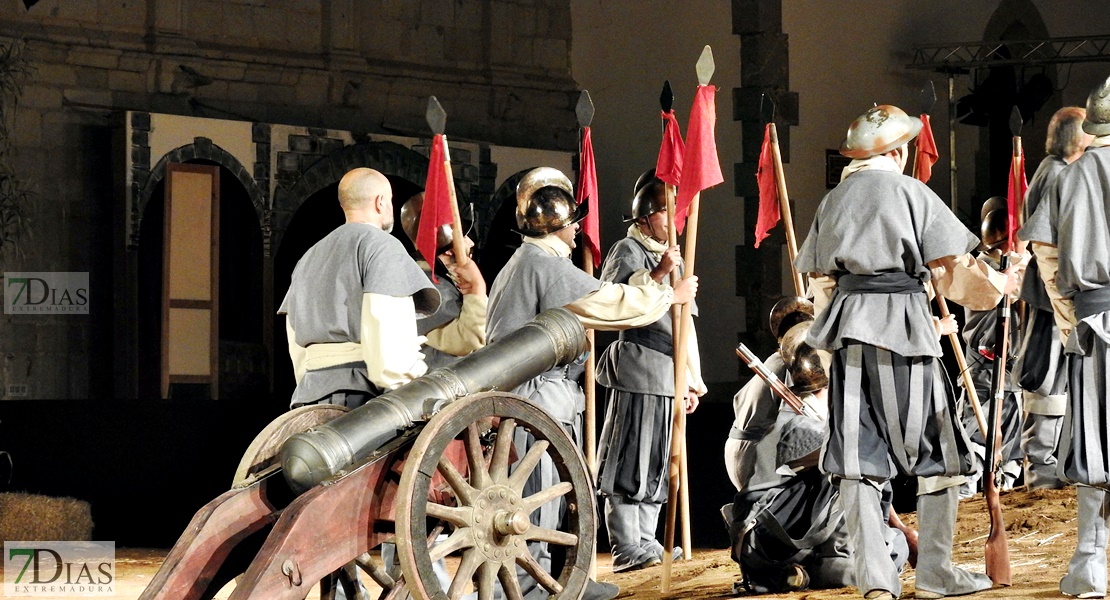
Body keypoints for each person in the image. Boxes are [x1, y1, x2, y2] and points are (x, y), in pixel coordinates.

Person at [794, 104, 1016, 600]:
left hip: (846, 336)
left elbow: (820, 284)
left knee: (856, 458)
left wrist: (830, 345)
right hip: (902, 332)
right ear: (897, 151)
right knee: (940, 452)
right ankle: (935, 574)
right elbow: (954, 272)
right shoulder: (911, 192)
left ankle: (875, 583)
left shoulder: (832, 202)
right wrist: (1000, 285)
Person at [486, 167, 697, 600]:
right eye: (573, 223)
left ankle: (551, 582)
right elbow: (607, 301)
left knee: (543, 495)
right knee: (537, 498)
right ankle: (535, 586)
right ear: (558, 228)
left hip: (533, 393)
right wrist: (665, 296)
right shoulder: (542, 264)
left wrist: (656, 283)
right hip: (534, 394)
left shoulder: (528, 263)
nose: (579, 228)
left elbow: (601, 294)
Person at [727, 331, 909, 594]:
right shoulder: (806, 429)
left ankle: (790, 574)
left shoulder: (800, 422)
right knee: (854, 485)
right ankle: (817, 569)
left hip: (765, 542)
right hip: (777, 539)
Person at [1020, 75, 1110, 599]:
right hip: (1096, 320)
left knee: (1098, 448)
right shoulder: (1070, 174)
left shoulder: (1074, 175)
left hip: (1095, 328)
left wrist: (1070, 319)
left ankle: (1089, 567)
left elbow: (1048, 256)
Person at [594, 171, 706, 573]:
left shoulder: (673, 254)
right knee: (631, 457)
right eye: (665, 210)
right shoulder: (629, 250)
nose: (673, 218)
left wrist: (689, 380)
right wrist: (658, 275)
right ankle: (627, 546)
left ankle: (647, 541)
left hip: (668, 372)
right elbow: (611, 299)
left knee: (659, 458)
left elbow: (684, 328)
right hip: (640, 366)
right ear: (645, 217)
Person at [279, 167, 440, 409]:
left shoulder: (309, 257)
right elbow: (384, 322)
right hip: (361, 396)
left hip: (309, 396)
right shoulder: (381, 246)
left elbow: (295, 337)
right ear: (381, 202)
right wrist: (407, 382)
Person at [1014, 106, 1093, 490]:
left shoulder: (1056, 171)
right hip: (1054, 299)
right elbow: (1049, 245)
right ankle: (1043, 473)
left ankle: (1054, 468)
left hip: (1058, 295)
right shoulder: (1058, 175)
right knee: (1048, 381)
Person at [957, 201, 1026, 498]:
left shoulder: (1016, 266)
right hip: (986, 371)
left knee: (1010, 449)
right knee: (976, 443)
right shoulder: (984, 269)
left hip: (1013, 376)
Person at [724, 296, 813, 493]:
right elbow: (799, 420)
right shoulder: (791, 364)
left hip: (738, 447)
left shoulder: (774, 360)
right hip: (754, 452)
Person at [399, 191, 488, 370]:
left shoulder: (415, 275)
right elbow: (467, 341)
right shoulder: (428, 288)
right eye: (463, 236)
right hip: (435, 394)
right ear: (448, 249)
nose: (470, 243)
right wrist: (477, 288)